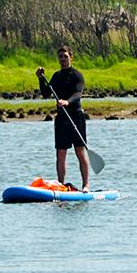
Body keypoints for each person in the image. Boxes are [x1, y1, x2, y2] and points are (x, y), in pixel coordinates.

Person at [36, 45, 90, 191]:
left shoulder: (77, 75)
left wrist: (67, 101)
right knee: (61, 153)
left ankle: (85, 185)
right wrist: (41, 79)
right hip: (62, 119)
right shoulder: (56, 76)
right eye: (60, 57)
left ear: (71, 58)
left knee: (80, 151)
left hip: (76, 117)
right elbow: (46, 93)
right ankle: (60, 185)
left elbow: (78, 93)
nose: (63, 59)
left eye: (65, 56)